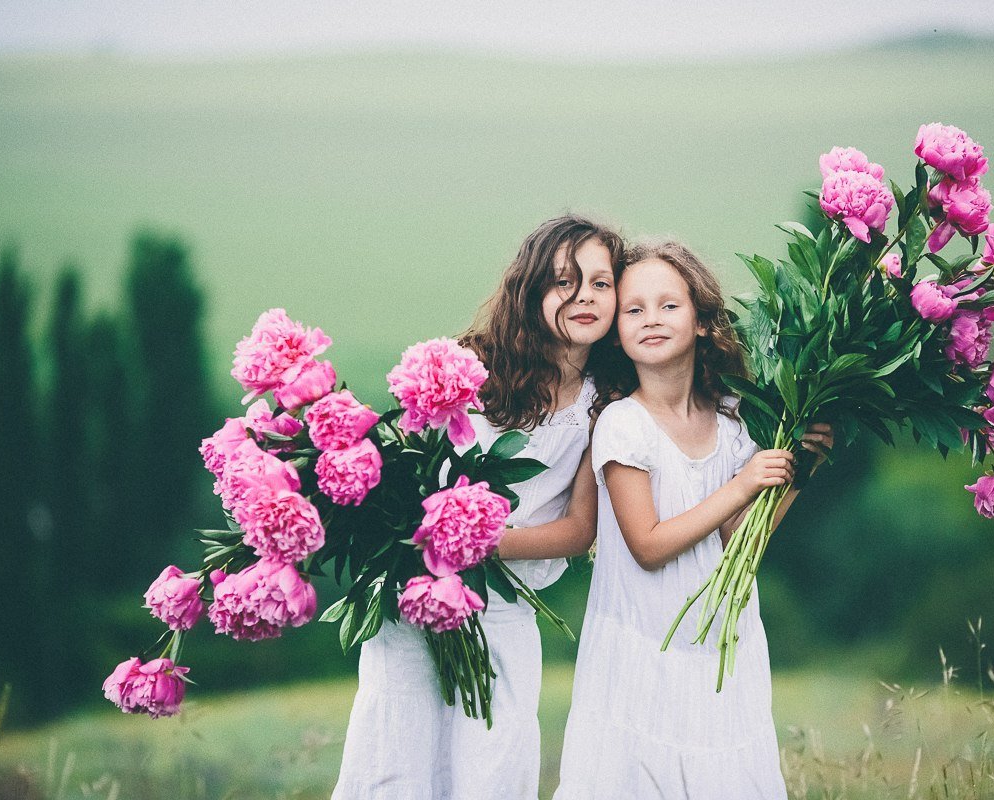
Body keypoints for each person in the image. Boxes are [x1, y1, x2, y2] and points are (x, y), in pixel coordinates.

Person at [333, 214, 625, 800]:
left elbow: (577, 530)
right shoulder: (473, 368)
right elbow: (410, 466)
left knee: (492, 770)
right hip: (415, 600)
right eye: (564, 281)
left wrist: (475, 540)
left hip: (504, 609)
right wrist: (424, 537)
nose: (584, 297)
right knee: (396, 761)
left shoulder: (607, 402)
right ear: (532, 288)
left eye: (601, 282)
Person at [555, 239, 832, 799]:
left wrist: (802, 469)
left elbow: (739, 541)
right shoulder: (623, 425)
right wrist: (744, 483)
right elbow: (649, 546)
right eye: (633, 310)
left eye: (669, 306)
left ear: (704, 322)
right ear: (617, 332)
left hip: (721, 646)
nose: (650, 320)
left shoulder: (733, 419)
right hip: (643, 649)